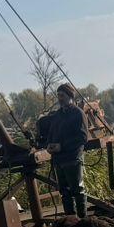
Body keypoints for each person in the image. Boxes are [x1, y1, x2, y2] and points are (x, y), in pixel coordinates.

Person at [37, 83, 87, 217]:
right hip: (59, 160)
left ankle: (82, 218)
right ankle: (71, 219)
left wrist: (62, 146)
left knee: (77, 189)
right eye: (58, 95)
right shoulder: (58, 115)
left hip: (72, 158)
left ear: (70, 96)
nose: (59, 98)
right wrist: (49, 145)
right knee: (64, 192)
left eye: (62, 95)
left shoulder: (78, 113)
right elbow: (51, 134)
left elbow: (82, 137)